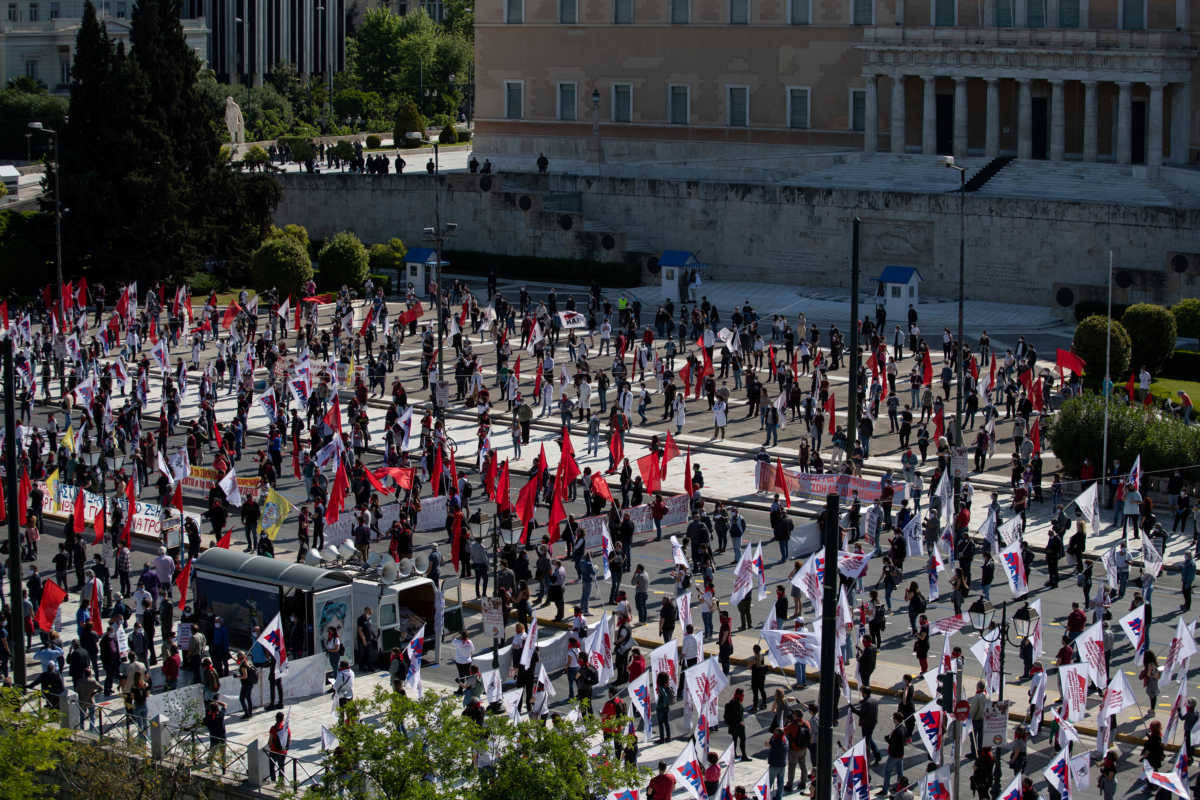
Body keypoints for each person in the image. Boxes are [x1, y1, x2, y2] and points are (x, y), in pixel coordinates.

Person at [204, 699, 229, 772]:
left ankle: (208, 764)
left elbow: (199, 723)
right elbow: (225, 705)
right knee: (223, 754)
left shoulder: (207, 719)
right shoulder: (220, 715)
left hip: (213, 738)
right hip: (222, 738)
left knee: (212, 752)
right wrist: (217, 701)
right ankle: (224, 768)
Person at [724, 687, 748, 760]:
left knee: (734, 740)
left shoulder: (731, 702)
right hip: (739, 725)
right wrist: (741, 722)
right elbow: (738, 716)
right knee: (742, 740)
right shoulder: (738, 704)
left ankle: (734, 754)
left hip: (732, 725)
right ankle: (744, 755)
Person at [268, 710, 289, 782]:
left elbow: (270, 741)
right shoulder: (286, 729)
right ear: (283, 719)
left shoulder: (273, 728)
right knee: (281, 768)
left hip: (274, 750)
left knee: (271, 767)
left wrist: (269, 746)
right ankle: (281, 782)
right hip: (283, 752)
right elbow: (288, 740)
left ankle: (273, 781)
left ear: (276, 718)